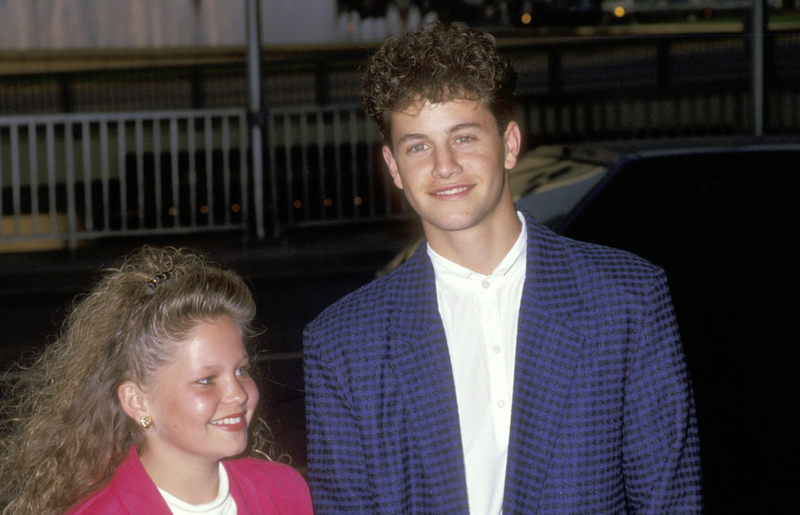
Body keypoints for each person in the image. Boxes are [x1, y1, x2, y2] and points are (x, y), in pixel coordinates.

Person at [303, 22, 703, 514]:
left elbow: (670, 502)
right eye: (417, 146)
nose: (444, 165)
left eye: (464, 137)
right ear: (393, 167)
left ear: (509, 144)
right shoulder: (343, 342)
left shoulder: (627, 300)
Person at [0, 246, 313, 515]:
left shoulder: (284, 492)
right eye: (206, 380)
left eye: (241, 370)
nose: (239, 394)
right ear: (138, 402)